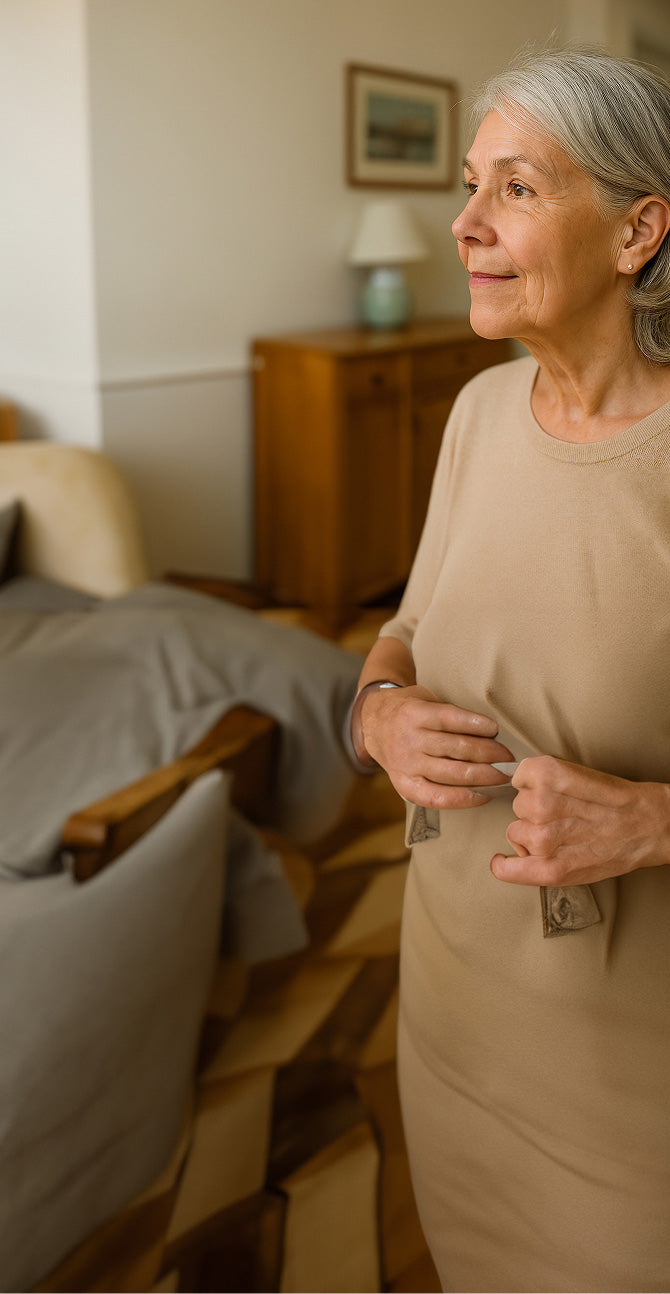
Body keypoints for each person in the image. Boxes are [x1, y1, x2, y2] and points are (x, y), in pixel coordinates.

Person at [349, 46, 670, 1294]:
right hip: (451, 1017)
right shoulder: (478, 412)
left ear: (638, 230)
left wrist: (649, 821)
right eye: (469, 185)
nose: (466, 221)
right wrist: (379, 714)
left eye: (517, 187)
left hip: (627, 1076)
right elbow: (407, 625)